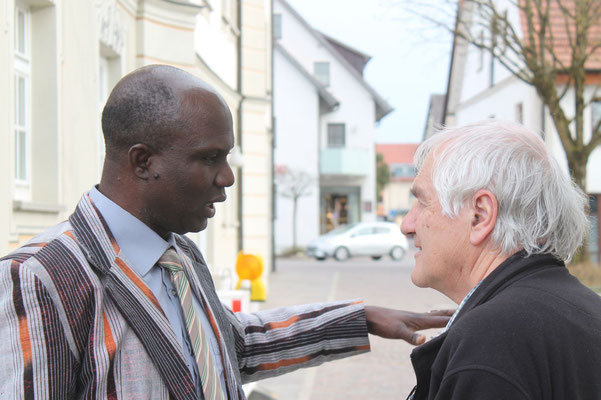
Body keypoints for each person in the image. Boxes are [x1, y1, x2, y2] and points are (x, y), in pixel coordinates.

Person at [0, 65, 450, 400]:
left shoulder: (179, 255)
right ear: (142, 162)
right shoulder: (40, 276)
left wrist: (360, 318)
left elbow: (228, 347)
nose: (227, 178)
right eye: (210, 158)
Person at [401, 120, 601, 400]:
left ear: (480, 216)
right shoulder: (587, 308)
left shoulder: (490, 344)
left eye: (422, 202)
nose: (407, 225)